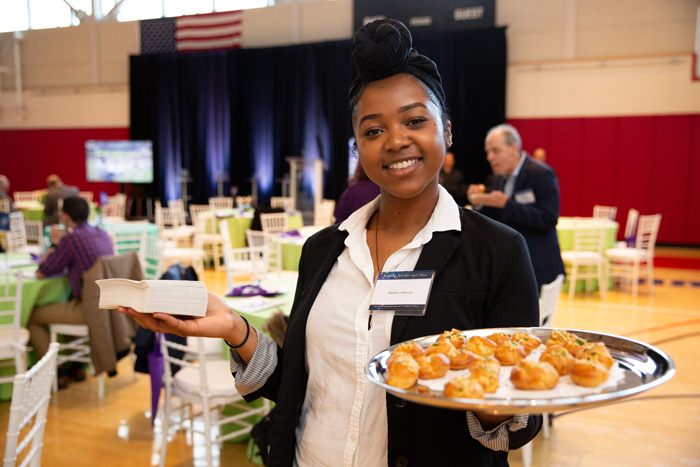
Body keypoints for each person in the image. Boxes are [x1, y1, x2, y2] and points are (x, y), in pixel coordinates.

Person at [122, 20, 542, 467]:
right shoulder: (324, 249)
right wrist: (234, 329)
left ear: (449, 132)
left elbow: (517, 426)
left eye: (415, 121)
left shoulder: (497, 251)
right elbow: (301, 385)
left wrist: (488, 392)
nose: (396, 140)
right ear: (358, 147)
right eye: (373, 130)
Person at [468, 124, 565, 290]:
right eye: (488, 152)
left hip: (539, 265)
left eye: (495, 151)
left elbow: (549, 219)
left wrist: (507, 204)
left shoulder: (541, 174)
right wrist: (480, 203)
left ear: (513, 149)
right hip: (511, 264)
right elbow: (497, 217)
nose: (489, 157)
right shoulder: (498, 178)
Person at [30, 196, 114, 387]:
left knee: (32, 317)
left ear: (65, 217)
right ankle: (76, 366)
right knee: (69, 302)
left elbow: (42, 272)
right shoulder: (102, 233)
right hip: (109, 307)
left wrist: (55, 243)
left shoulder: (72, 239)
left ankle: (55, 373)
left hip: (90, 310)